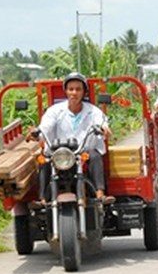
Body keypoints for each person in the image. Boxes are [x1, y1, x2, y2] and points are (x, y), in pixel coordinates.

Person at [32, 72, 114, 203]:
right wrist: (37, 132)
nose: (74, 93)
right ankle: (42, 199)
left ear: (84, 92)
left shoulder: (93, 111)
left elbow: (102, 122)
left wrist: (104, 128)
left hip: (83, 153)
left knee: (95, 155)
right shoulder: (54, 110)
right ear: (65, 91)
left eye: (78, 89)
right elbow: (46, 126)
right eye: (71, 89)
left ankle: (100, 194)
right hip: (59, 153)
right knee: (44, 161)